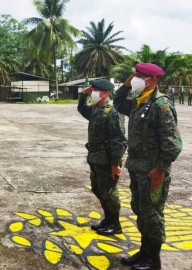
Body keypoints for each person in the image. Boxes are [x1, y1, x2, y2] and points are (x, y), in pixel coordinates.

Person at [114, 63, 182, 270]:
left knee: (152, 214)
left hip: (152, 170)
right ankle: (145, 251)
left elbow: (173, 144)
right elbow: (118, 104)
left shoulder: (161, 105)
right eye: (133, 75)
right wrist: (125, 87)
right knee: (141, 210)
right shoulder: (138, 102)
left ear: (151, 80)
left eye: (138, 75)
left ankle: (154, 259)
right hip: (137, 167)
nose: (133, 77)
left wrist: (160, 169)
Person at [78, 79, 127, 236]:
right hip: (95, 157)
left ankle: (115, 223)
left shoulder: (113, 111)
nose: (93, 92)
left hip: (107, 159)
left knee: (109, 191)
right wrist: (82, 95)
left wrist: (115, 163)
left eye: (95, 89)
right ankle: (108, 219)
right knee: (98, 189)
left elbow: (119, 141)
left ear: (105, 92)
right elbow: (81, 108)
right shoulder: (95, 109)